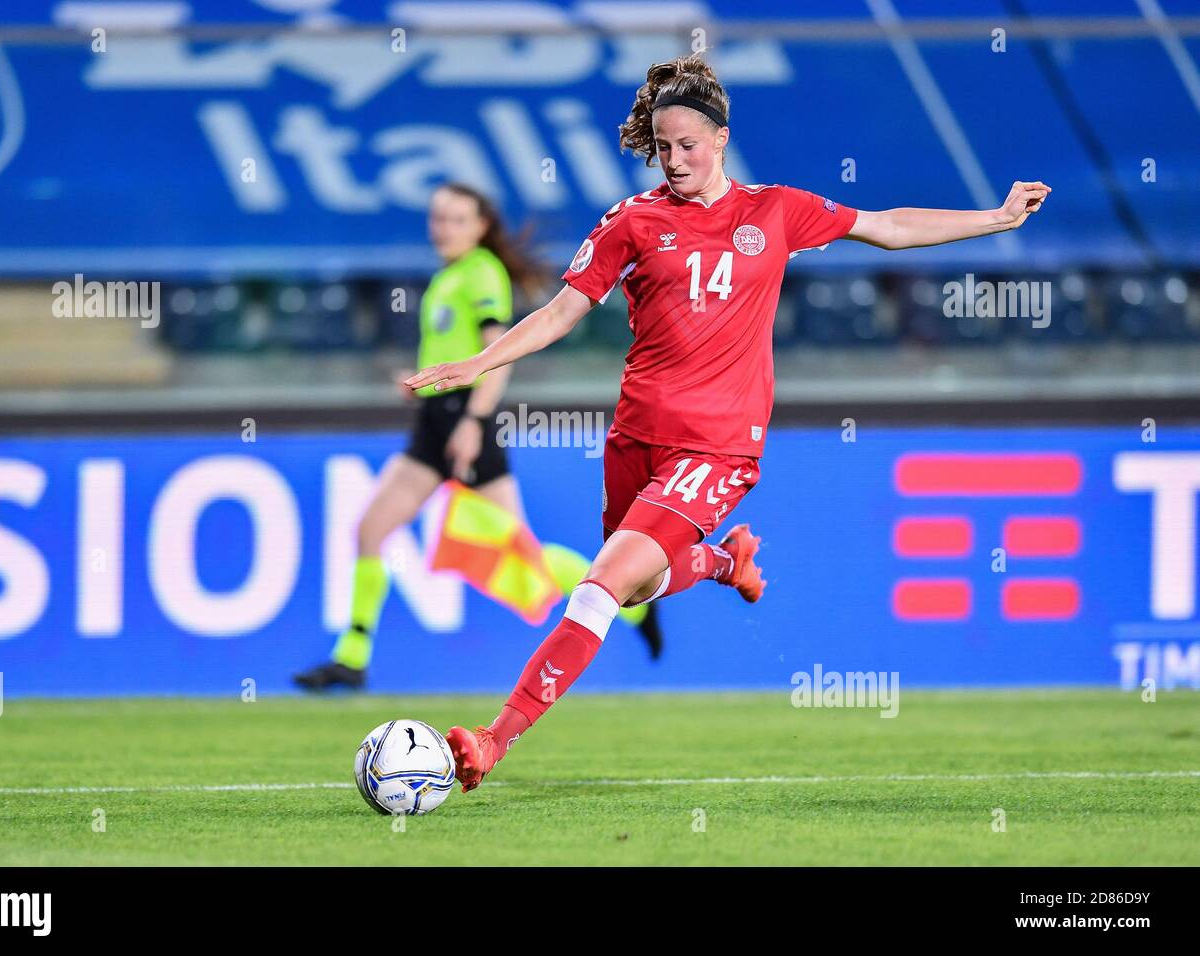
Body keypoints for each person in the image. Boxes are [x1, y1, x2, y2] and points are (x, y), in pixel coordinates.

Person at [406, 55, 1050, 791]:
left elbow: (888, 227)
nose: (675, 161)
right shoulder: (632, 221)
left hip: (718, 446)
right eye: (663, 147)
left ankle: (493, 740)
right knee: (639, 589)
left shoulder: (774, 211)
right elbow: (561, 311)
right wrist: (478, 362)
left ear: (720, 139)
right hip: (636, 437)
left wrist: (994, 220)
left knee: (600, 585)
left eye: (688, 145)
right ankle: (722, 560)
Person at [294, 183, 662, 691]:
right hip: (434, 423)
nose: (443, 228)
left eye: (456, 219)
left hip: (468, 421)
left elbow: (498, 357)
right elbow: (454, 349)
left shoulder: (482, 273)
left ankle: (631, 602)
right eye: (438, 218)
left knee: (523, 557)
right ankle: (352, 657)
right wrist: (420, 379)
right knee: (371, 529)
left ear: (482, 225)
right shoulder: (450, 276)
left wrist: (472, 421)